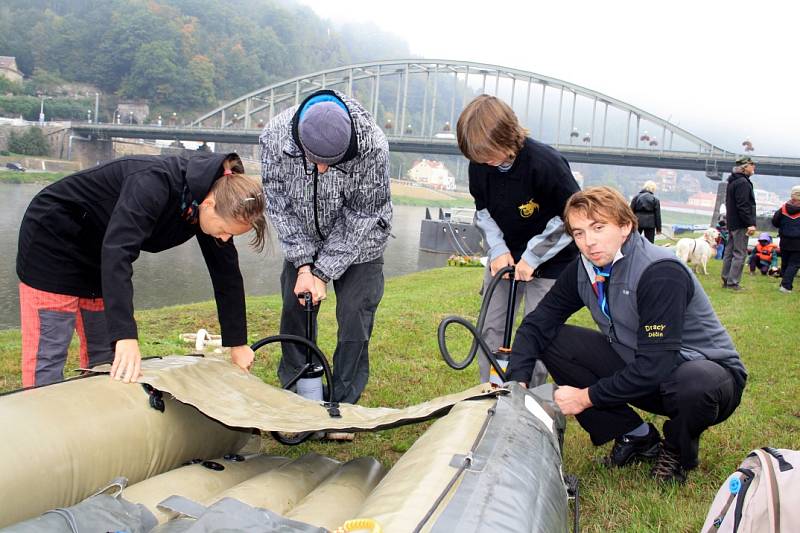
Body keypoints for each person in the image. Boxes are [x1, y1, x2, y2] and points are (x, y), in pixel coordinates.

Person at [507, 186, 747, 484]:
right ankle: (636, 436)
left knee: (695, 383)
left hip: (706, 378)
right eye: (579, 233)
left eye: (598, 227)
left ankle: (677, 450)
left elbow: (656, 365)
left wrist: (585, 397)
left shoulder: (660, 271)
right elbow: (536, 324)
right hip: (643, 369)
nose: (588, 242)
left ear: (625, 225)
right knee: (554, 340)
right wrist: (516, 380)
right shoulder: (584, 267)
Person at [17, 152, 267, 387]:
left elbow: (227, 275)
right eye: (224, 230)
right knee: (50, 350)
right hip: (53, 239)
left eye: (230, 235)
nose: (224, 238)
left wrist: (237, 343)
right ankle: (37, 425)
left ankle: (98, 421)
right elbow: (119, 252)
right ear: (209, 204)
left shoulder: (211, 200)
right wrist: (126, 335)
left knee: (105, 353)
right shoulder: (152, 182)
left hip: (99, 248)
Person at [259, 89, 392, 407]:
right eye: (315, 161)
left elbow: (362, 213)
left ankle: (343, 402)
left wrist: (322, 272)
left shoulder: (373, 145)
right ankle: (300, 392)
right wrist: (304, 266)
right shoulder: (274, 136)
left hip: (362, 241)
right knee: (295, 311)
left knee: (354, 317)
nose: (322, 169)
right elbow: (277, 202)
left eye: (332, 163)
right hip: (301, 234)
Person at [456, 94, 579, 386]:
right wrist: (498, 250)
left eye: (488, 153)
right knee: (492, 327)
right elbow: (483, 212)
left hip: (551, 262)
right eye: (477, 156)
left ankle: (529, 399)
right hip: (505, 258)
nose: (483, 161)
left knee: (537, 331)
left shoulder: (545, 163)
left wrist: (532, 257)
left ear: (507, 136)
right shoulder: (480, 166)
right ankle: (491, 391)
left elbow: (570, 217)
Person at [721, 156, 757, 290]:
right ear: (745, 167)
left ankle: (726, 279)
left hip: (732, 223)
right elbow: (743, 205)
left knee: (729, 253)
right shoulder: (743, 182)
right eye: (752, 165)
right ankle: (733, 282)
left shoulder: (733, 181)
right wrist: (750, 223)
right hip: (741, 224)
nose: (754, 167)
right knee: (740, 253)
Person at [772, 185, 800, 293]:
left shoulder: (783, 208)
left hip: (784, 240)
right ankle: (786, 286)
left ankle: (783, 283)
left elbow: (775, 221)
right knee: (794, 264)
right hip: (798, 242)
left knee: (785, 262)